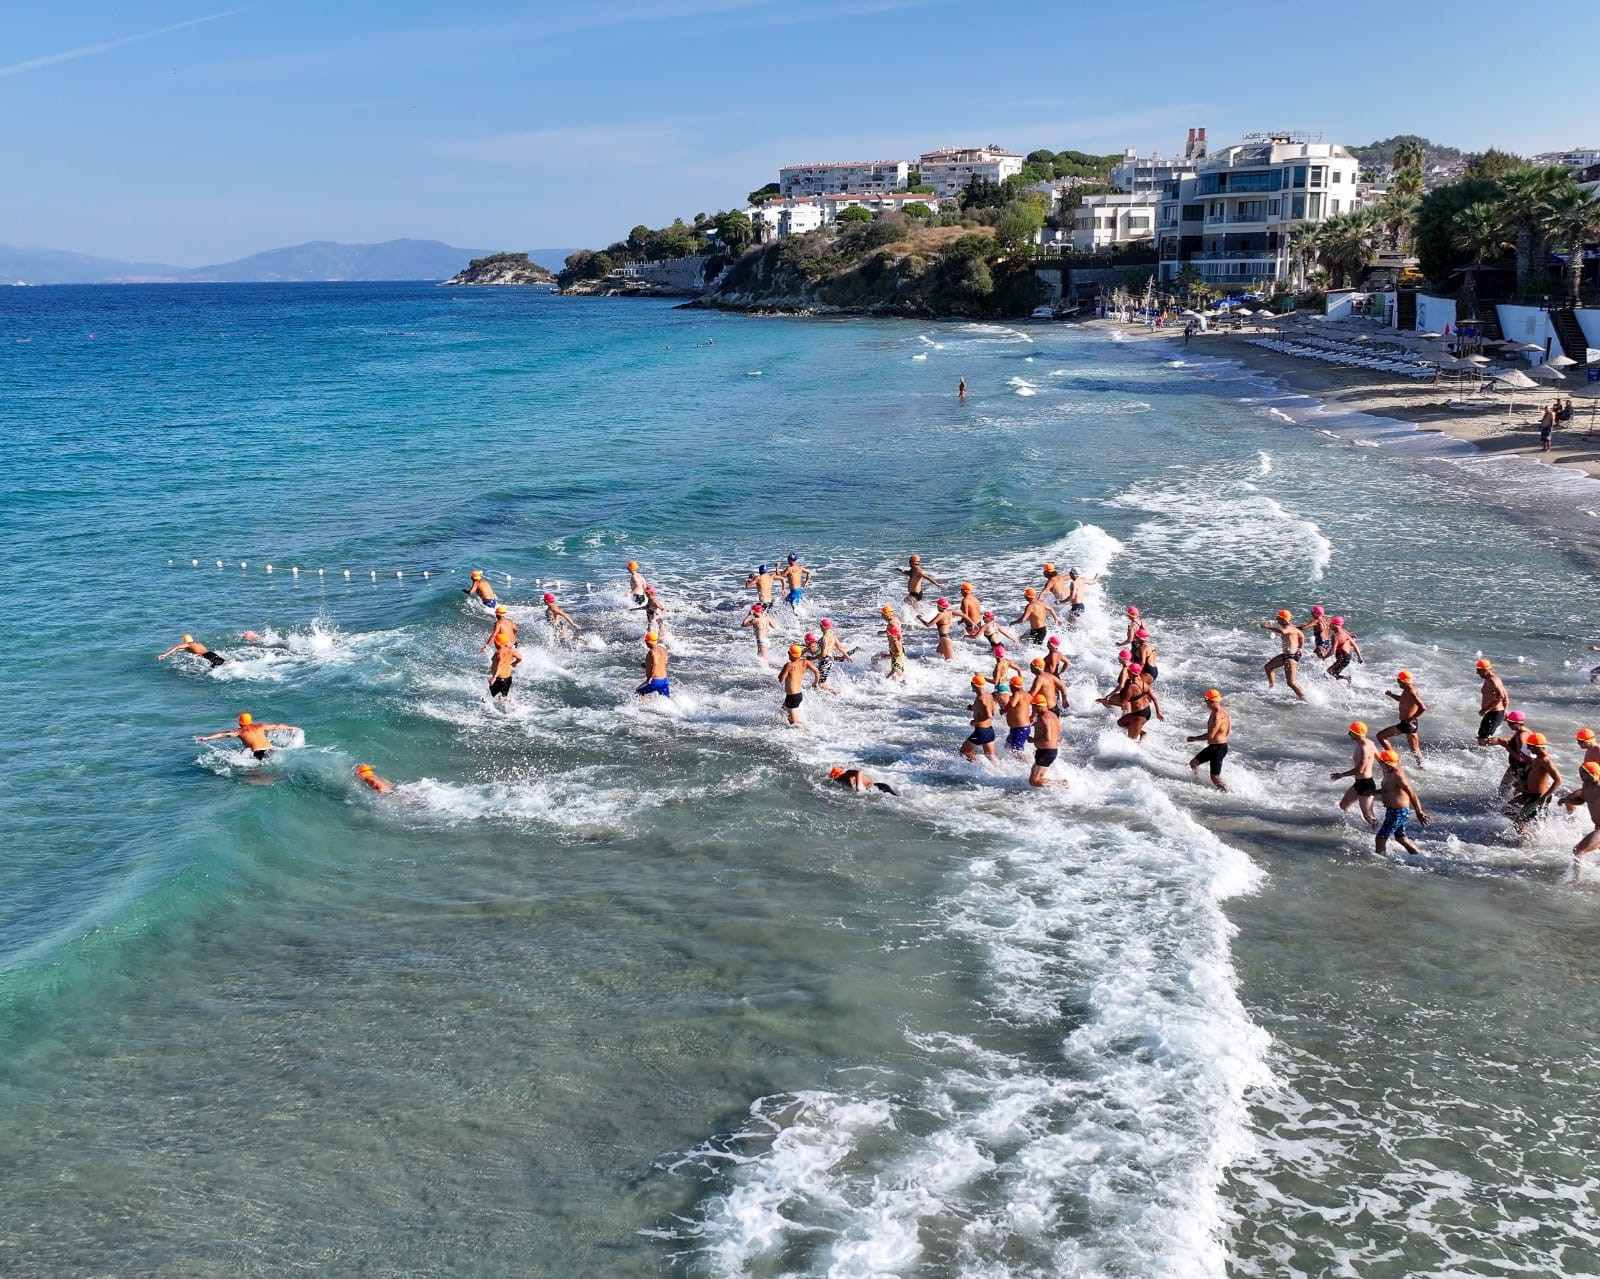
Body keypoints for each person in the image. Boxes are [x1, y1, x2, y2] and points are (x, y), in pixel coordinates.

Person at [1374, 749, 1429, 857]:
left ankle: (1379, 862)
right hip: (1392, 811)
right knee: (1400, 838)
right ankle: (1419, 857)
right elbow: (1390, 790)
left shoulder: (1398, 775)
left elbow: (1411, 793)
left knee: (1380, 838)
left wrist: (1419, 811)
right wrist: (1373, 792)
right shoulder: (1388, 772)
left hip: (1398, 812)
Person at [1508, 732, 1562, 833]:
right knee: (1506, 811)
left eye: (1529, 746)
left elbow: (1558, 781)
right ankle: (1529, 829)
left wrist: (1545, 797)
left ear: (1536, 747)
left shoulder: (1546, 761)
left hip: (1537, 797)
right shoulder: (1536, 759)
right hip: (1528, 794)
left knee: (1518, 822)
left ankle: (1524, 844)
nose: (1528, 748)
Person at [195, 712, 300, 760]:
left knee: (256, 772)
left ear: (239, 722)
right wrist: (291, 728)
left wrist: (207, 738)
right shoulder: (260, 726)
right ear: (251, 721)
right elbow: (277, 725)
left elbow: (223, 734)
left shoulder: (239, 731)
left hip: (259, 753)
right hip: (272, 749)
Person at [1332, 721, 1379, 826]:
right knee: (1344, 805)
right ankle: (1353, 826)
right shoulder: (1369, 743)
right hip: (1359, 783)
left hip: (1366, 785)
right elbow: (1380, 759)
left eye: (1351, 732)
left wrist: (1341, 775)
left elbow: (1360, 770)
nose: (1349, 734)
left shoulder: (1364, 748)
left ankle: (1380, 834)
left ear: (1357, 734)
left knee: (1368, 816)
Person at [1376, 671, 1427, 764]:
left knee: (1381, 736)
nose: (1397, 682)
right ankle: (1423, 766)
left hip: (1407, 723)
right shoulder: (1407, 690)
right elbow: (1402, 700)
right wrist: (1391, 695)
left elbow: (1423, 707)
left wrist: (1410, 719)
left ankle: (1394, 760)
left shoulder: (1412, 692)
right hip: (1411, 723)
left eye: (1398, 680)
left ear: (1404, 681)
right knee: (1415, 749)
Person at [1186, 689, 1232, 790]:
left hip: (1218, 748)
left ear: (1212, 701)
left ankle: (1227, 792)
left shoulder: (1217, 715)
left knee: (1214, 777)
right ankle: (1200, 782)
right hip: (1218, 746)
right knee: (1194, 763)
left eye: (1206, 701)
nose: (1206, 703)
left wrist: (1194, 738)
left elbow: (1210, 735)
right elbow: (1228, 730)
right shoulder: (1223, 711)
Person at [1261, 609, 1306, 699]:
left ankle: (1306, 698)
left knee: (1291, 682)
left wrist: (1268, 627)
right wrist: (1300, 648)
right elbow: (1302, 637)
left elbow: (1282, 631)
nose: (1277, 620)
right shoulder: (1294, 628)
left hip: (1291, 657)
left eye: (1278, 618)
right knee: (1268, 667)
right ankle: (1272, 687)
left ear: (1283, 619)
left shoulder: (1287, 628)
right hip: (1286, 656)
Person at [1559, 761, 1600, 860]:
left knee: (1578, 851)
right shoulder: (1586, 785)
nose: (1580, 775)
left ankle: (1575, 876)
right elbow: (1582, 800)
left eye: (1583, 772)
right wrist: (1567, 800)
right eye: (1580, 771)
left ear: (1592, 775)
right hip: (1597, 826)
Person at [1487, 710, 1534, 795]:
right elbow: (1518, 745)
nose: (1509, 725)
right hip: (1516, 765)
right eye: (1508, 722)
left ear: (1519, 723)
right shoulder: (1520, 731)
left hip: (1520, 767)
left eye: (1511, 723)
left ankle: (1507, 806)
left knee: (1512, 789)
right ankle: (1503, 804)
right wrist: (1501, 740)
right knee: (1505, 787)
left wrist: (1506, 746)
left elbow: (1521, 758)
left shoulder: (1522, 735)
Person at [1116, 662, 1163, 742]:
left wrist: (1107, 701)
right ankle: (1140, 732)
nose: (1127, 673)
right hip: (1147, 711)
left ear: (1131, 673)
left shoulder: (1131, 688)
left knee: (1130, 741)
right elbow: (1154, 699)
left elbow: (1123, 704)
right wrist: (1158, 712)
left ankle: (1138, 738)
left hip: (1139, 715)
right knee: (1120, 722)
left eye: (1128, 672)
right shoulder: (1145, 684)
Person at [778, 643, 820, 726]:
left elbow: (781, 679)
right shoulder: (805, 662)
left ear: (792, 655)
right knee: (782, 712)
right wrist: (815, 682)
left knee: (795, 723)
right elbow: (817, 671)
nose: (788, 654)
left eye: (789, 653)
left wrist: (784, 670)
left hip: (792, 697)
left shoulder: (789, 665)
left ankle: (811, 730)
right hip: (798, 695)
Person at [960, 674, 998, 762]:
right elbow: (991, 710)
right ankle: (1000, 771)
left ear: (975, 685)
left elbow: (989, 715)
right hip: (989, 731)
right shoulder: (989, 696)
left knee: (964, 752)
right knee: (991, 757)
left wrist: (975, 721)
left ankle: (982, 764)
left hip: (981, 732)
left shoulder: (981, 699)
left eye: (971, 683)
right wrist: (973, 708)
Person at [1029, 694, 1064, 787]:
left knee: (1034, 781)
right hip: (1048, 751)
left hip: (1046, 752)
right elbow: (1060, 729)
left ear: (1038, 706)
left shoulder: (1044, 717)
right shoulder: (1053, 715)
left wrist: (1034, 740)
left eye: (1033, 706)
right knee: (1033, 774)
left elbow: (1047, 736)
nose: (1032, 708)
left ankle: (1061, 783)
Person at [1474, 658, 1508, 744]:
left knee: (1484, 739)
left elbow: (1502, 696)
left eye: (1478, 670)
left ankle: (1506, 744)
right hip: (1491, 713)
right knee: (1481, 736)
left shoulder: (1494, 680)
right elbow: (1506, 697)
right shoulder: (1488, 679)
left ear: (1486, 670)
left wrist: (1486, 709)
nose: (1477, 672)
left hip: (1495, 713)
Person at [815, 618, 852, 690]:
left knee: (820, 684)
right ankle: (829, 695)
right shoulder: (833, 636)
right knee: (819, 682)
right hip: (830, 661)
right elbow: (839, 647)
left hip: (825, 661)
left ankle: (836, 694)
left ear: (824, 627)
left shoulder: (824, 638)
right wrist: (847, 656)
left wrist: (812, 658)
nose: (820, 626)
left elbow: (823, 654)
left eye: (821, 625)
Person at [1001, 676, 1033, 754]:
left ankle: (1028, 764)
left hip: (1020, 728)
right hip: (1022, 728)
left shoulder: (1017, 694)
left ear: (1013, 686)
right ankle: (1003, 763)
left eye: (1010, 685)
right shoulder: (1028, 695)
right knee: (1007, 745)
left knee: (1016, 752)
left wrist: (1004, 710)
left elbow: (1012, 704)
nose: (1009, 687)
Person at [1325, 617, 1363, 682]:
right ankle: (1343, 679)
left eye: (1330, 624)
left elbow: (1332, 651)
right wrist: (1359, 657)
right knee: (1332, 673)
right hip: (1347, 658)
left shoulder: (1335, 636)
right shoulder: (1345, 633)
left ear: (1334, 625)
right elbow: (1355, 645)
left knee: (1329, 672)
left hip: (1342, 659)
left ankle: (1346, 678)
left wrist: (1324, 657)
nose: (1329, 625)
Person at [158, 634, 225, 667]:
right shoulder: (197, 643)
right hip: (211, 654)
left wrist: (165, 654)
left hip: (207, 656)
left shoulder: (188, 644)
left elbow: (177, 647)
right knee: (224, 664)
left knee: (219, 667)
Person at [636, 632, 670, 697]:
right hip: (664, 680)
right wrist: (647, 665)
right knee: (666, 700)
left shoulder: (652, 651)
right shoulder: (663, 649)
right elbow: (664, 662)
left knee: (638, 692)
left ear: (647, 642)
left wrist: (650, 678)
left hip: (655, 681)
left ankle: (644, 706)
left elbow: (656, 663)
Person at [828, 765, 898, 795]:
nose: (837, 780)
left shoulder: (848, 773)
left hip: (879, 787)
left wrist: (859, 788)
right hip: (873, 789)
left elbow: (859, 772)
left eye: (837, 778)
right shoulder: (842, 779)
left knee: (896, 799)